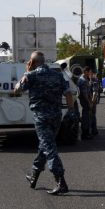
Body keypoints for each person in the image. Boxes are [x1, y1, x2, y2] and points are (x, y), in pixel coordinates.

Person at [14, 51, 74, 195]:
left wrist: (26, 73)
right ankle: (33, 177)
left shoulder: (31, 76)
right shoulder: (58, 75)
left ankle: (61, 182)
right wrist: (71, 111)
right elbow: (68, 93)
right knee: (45, 146)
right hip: (56, 117)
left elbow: (16, 90)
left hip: (41, 118)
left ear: (32, 62)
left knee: (49, 149)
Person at [78, 66, 93, 139]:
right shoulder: (83, 80)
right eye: (89, 72)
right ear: (85, 72)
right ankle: (85, 134)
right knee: (85, 118)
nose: (90, 73)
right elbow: (85, 94)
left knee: (86, 117)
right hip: (84, 101)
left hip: (84, 100)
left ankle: (86, 133)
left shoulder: (83, 79)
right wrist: (89, 102)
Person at [89, 70, 99, 136]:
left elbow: (95, 92)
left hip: (92, 100)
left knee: (92, 115)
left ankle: (94, 130)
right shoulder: (92, 80)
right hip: (92, 100)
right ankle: (93, 129)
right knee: (92, 115)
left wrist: (92, 102)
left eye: (90, 73)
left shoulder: (94, 80)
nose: (89, 75)